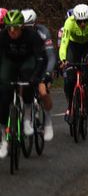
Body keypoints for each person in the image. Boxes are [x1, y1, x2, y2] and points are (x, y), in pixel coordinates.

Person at [0, 10, 46, 159]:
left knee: (27, 85)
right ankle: (3, 133)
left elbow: (41, 58)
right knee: (4, 93)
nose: (12, 32)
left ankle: (27, 119)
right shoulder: (2, 37)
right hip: (10, 63)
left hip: (28, 62)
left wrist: (36, 77)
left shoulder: (32, 36)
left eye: (16, 28)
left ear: (22, 27)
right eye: (9, 28)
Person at [59, 4, 88, 117]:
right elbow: (64, 44)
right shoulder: (69, 22)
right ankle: (70, 105)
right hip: (74, 46)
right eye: (79, 22)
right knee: (70, 78)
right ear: (75, 19)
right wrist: (63, 59)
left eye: (85, 21)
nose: (82, 24)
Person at [21, 8, 56, 140]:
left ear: (35, 24)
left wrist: (48, 73)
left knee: (42, 91)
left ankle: (47, 121)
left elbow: (51, 56)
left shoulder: (43, 32)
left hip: (42, 63)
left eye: (29, 26)